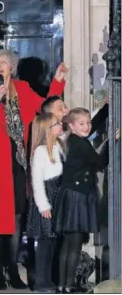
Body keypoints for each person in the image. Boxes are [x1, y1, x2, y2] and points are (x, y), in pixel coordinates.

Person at [0, 48, 68, 290]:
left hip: (19, 162)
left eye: (4, 62)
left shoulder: (22, 89)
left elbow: (45, 108)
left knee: (15, 215)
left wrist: (57, 81)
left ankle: (12, 268)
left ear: (12, 68)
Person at [53, 108, 116, 293]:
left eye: (88, 123)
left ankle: (63, 285)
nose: (87, 126)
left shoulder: (72, 140)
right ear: (71, 126)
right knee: (74, 243)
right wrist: (112, 142)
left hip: (71, 194)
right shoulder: (80, 143)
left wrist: (106, 108)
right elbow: (100, 162)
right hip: (77, 196)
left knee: (68, 243)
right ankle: (69, 285)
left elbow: (91, 124)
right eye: (82, 124)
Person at [26, 113, 65, 293]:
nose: (60, 125)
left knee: (53, 242)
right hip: (47, 198)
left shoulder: (59, 145)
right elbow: (37, 180)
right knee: (45, 243)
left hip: (58, 196)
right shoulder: (41, 151)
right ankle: (41, 282)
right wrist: (43, 205)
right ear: (47, 130)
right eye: (56, 124)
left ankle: (49, 279)